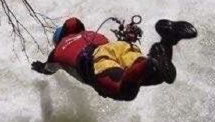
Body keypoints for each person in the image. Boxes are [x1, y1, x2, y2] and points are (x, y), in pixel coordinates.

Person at [31, 16, 197, 101]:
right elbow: (118, 45)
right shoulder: (90, 34)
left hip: (97, 61)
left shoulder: (58, 51)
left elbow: (48, 69)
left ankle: (150, 61)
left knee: (125, 91)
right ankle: (168, 39)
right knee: (157, 75)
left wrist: (39, 67)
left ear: (59, 39)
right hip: (117, 48)